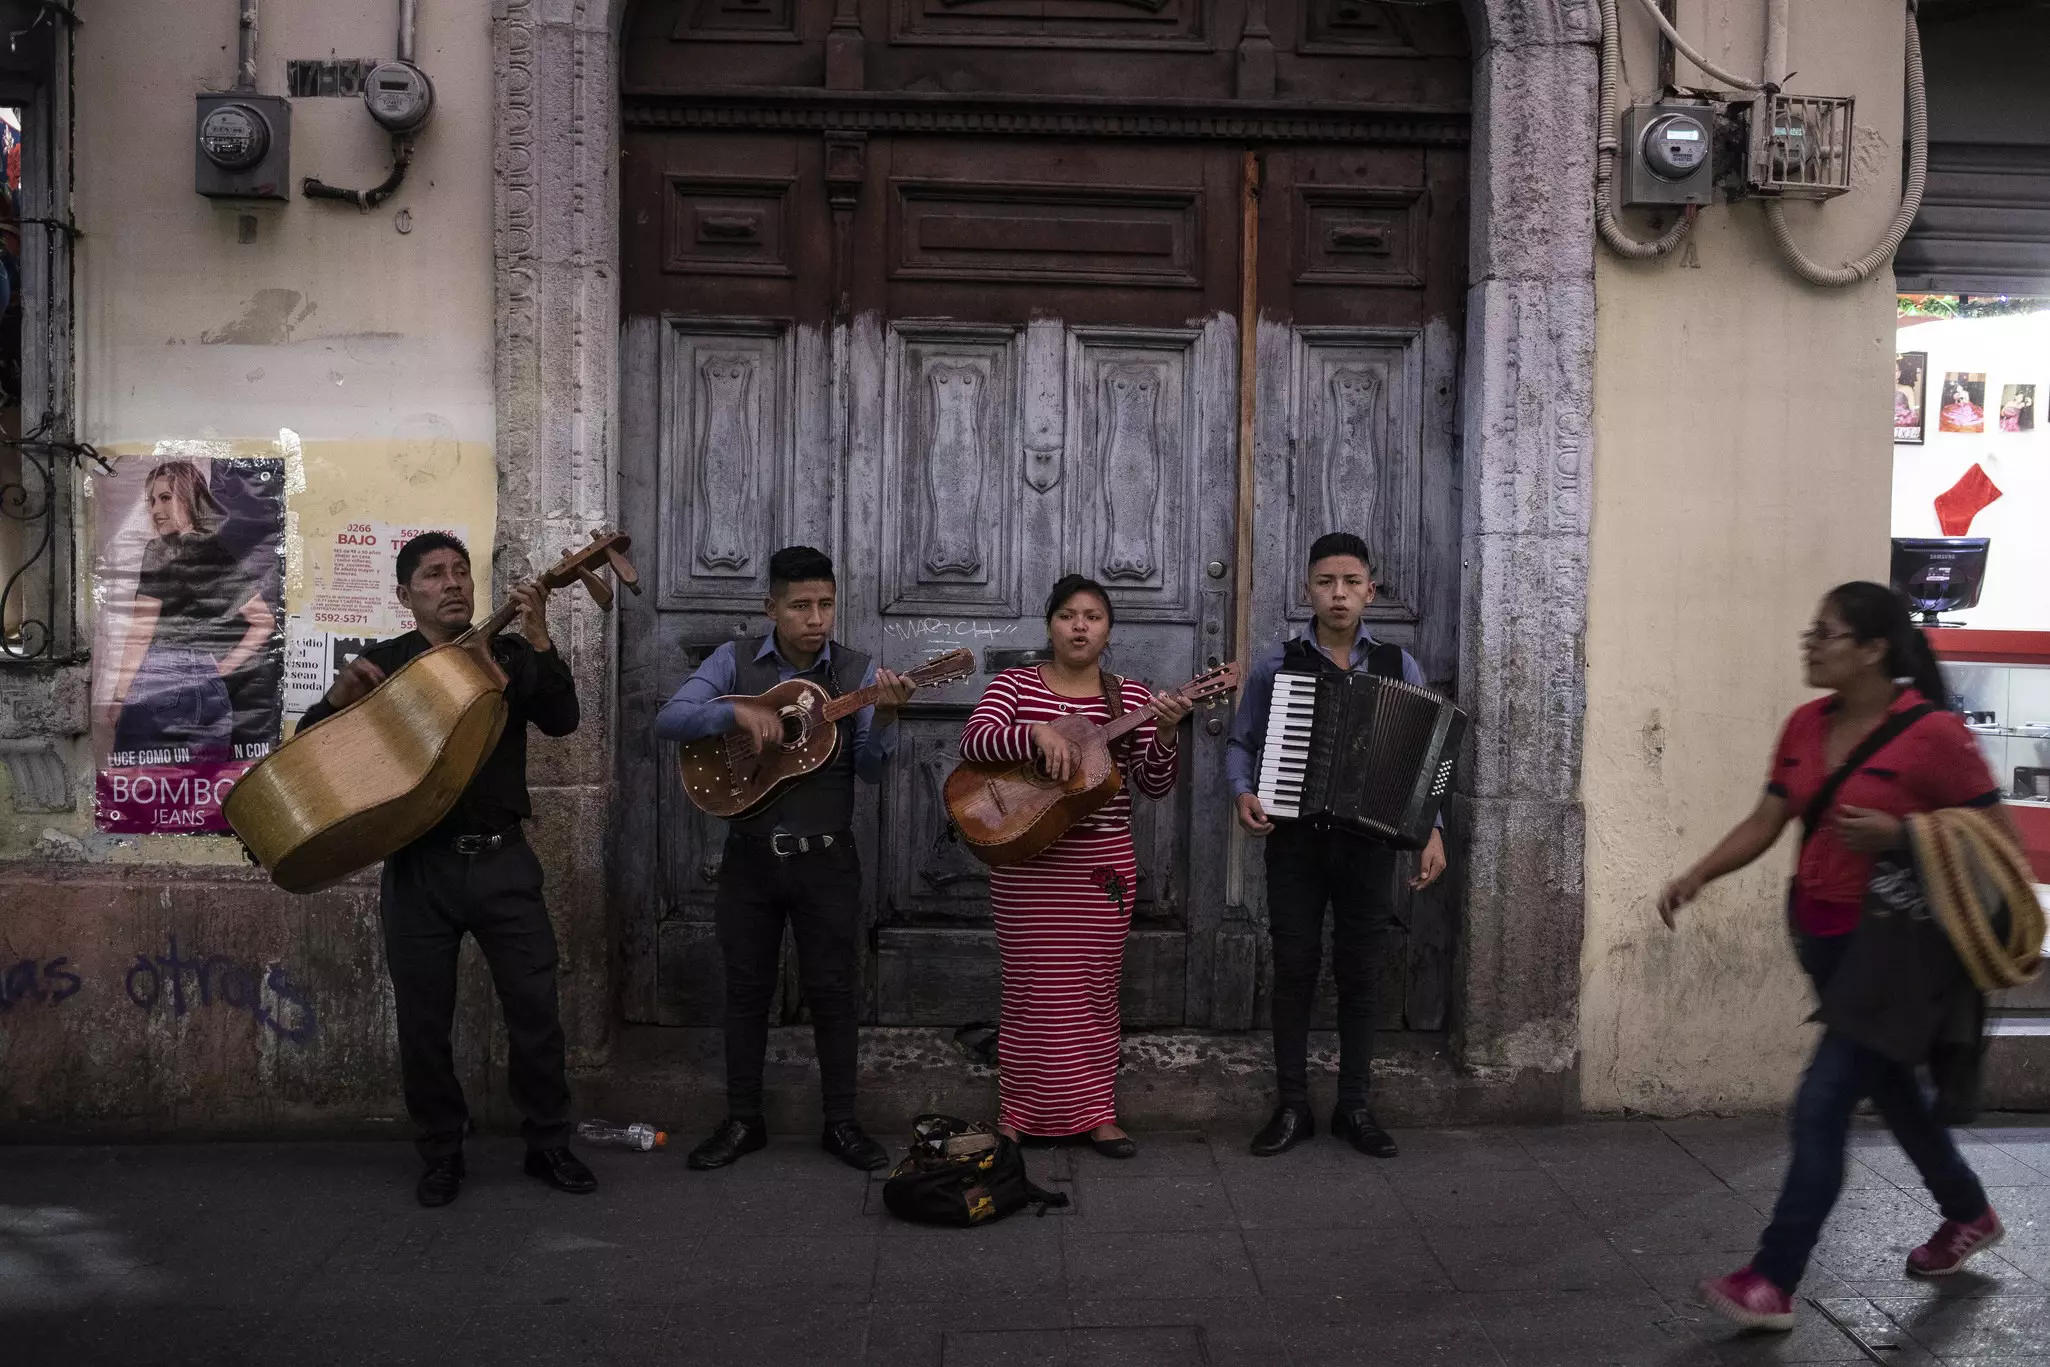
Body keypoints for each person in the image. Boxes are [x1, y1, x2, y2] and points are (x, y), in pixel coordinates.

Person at [1659, 581, 2007, 1332]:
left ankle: (1773, 1277)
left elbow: (1997, 842)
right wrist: (1697, 875)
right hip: (1820, 938)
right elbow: (1768, 817)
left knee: (1821, 1103)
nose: (1811, 646)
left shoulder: (1935, 735)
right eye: (1811, 633)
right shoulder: (1805, 724)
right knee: (1894, 1092)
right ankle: (1969, 1211)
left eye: (1827, 634)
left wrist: (1901, 835)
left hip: (1894, 955)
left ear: (1875, 649)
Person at [299, 532, 594, 1208]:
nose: (453, 583)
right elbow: (312, 757)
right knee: (425, 1022)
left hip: (502, 860)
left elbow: (564, 718)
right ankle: (441, 1151)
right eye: (434, 575)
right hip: (418, 868)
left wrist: (543, 637)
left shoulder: (508, 655)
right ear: (406, 596)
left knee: (534, 1009)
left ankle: (549, 1143)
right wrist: (335, 702)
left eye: (460, 572)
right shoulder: (384, 667)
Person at [653, 546, 914, 1172]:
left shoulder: (858, 672)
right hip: (750, 859)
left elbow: (873, 773)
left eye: (825, 604)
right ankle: (743, 1120)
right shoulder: (735, 660)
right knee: (746, 991)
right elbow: (669, 720)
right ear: (771, 608)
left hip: (828, 861)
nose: (816, 618)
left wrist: (886, 718)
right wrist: (738, 708)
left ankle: (842, 1123)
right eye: (800, 606)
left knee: (833, 990)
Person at [1226, 532, 1447, 1159]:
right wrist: (1243, 793)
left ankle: (1355, 1105)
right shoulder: (1278, 664)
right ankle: (1293, 1105)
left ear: (1370, 591)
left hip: (1369, 848)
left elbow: (1431, 759)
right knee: (1293, 970)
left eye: (1351, 582)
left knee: (1362, 975)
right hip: (1295, 843)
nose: (1339, 593)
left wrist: (1433, 832)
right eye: (1327, 582)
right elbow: (1242, 744)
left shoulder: (1398, 667)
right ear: (1308, 591)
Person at [957, 575, 1190, 1156]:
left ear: (1109, 629)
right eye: (1067, 615)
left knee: (1093, 987)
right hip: (1027, 862)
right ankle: (1017, 1115)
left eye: (1092, 616)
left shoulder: (1129, 699)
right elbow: (975, 742)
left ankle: (1097, 1114)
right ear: (1049, 625)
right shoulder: (1014, 685)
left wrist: (1164, 733)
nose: (1079, 626)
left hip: (1101, 867)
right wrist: (1035, 732)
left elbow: (1155, 786)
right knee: (1031, 985)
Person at [106, 460, 275, 760]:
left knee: (142, 787)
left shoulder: (160, 551)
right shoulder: (217, 550)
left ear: (189, 497)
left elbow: (141, 631)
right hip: (209, 688)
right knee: (201, 790)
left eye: (166, 498)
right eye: (152, 501)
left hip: (159, 680)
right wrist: (218, 669)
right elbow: (263, 622)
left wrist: (120, 696)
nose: (156, 510)